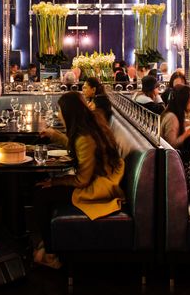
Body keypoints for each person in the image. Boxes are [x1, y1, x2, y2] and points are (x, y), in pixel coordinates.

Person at [34, 92, 125, 268]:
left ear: (69, 112)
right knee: (44, 190)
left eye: (60, 111)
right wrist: (55, 135)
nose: (58, 114)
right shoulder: (91, 125)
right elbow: (78, 148)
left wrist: (55, 182)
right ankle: (50, 239)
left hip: (97, 187)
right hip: (100, 178)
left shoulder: (85, 138)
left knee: (41, 195)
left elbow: (82, 180)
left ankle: (51, 254)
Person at [160, 85, 190, 151]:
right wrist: (186, 133)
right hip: (170, 155)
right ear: (183, 100)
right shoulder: (171, 117)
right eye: (189, 98)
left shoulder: (175, 113)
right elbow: (171, 145)